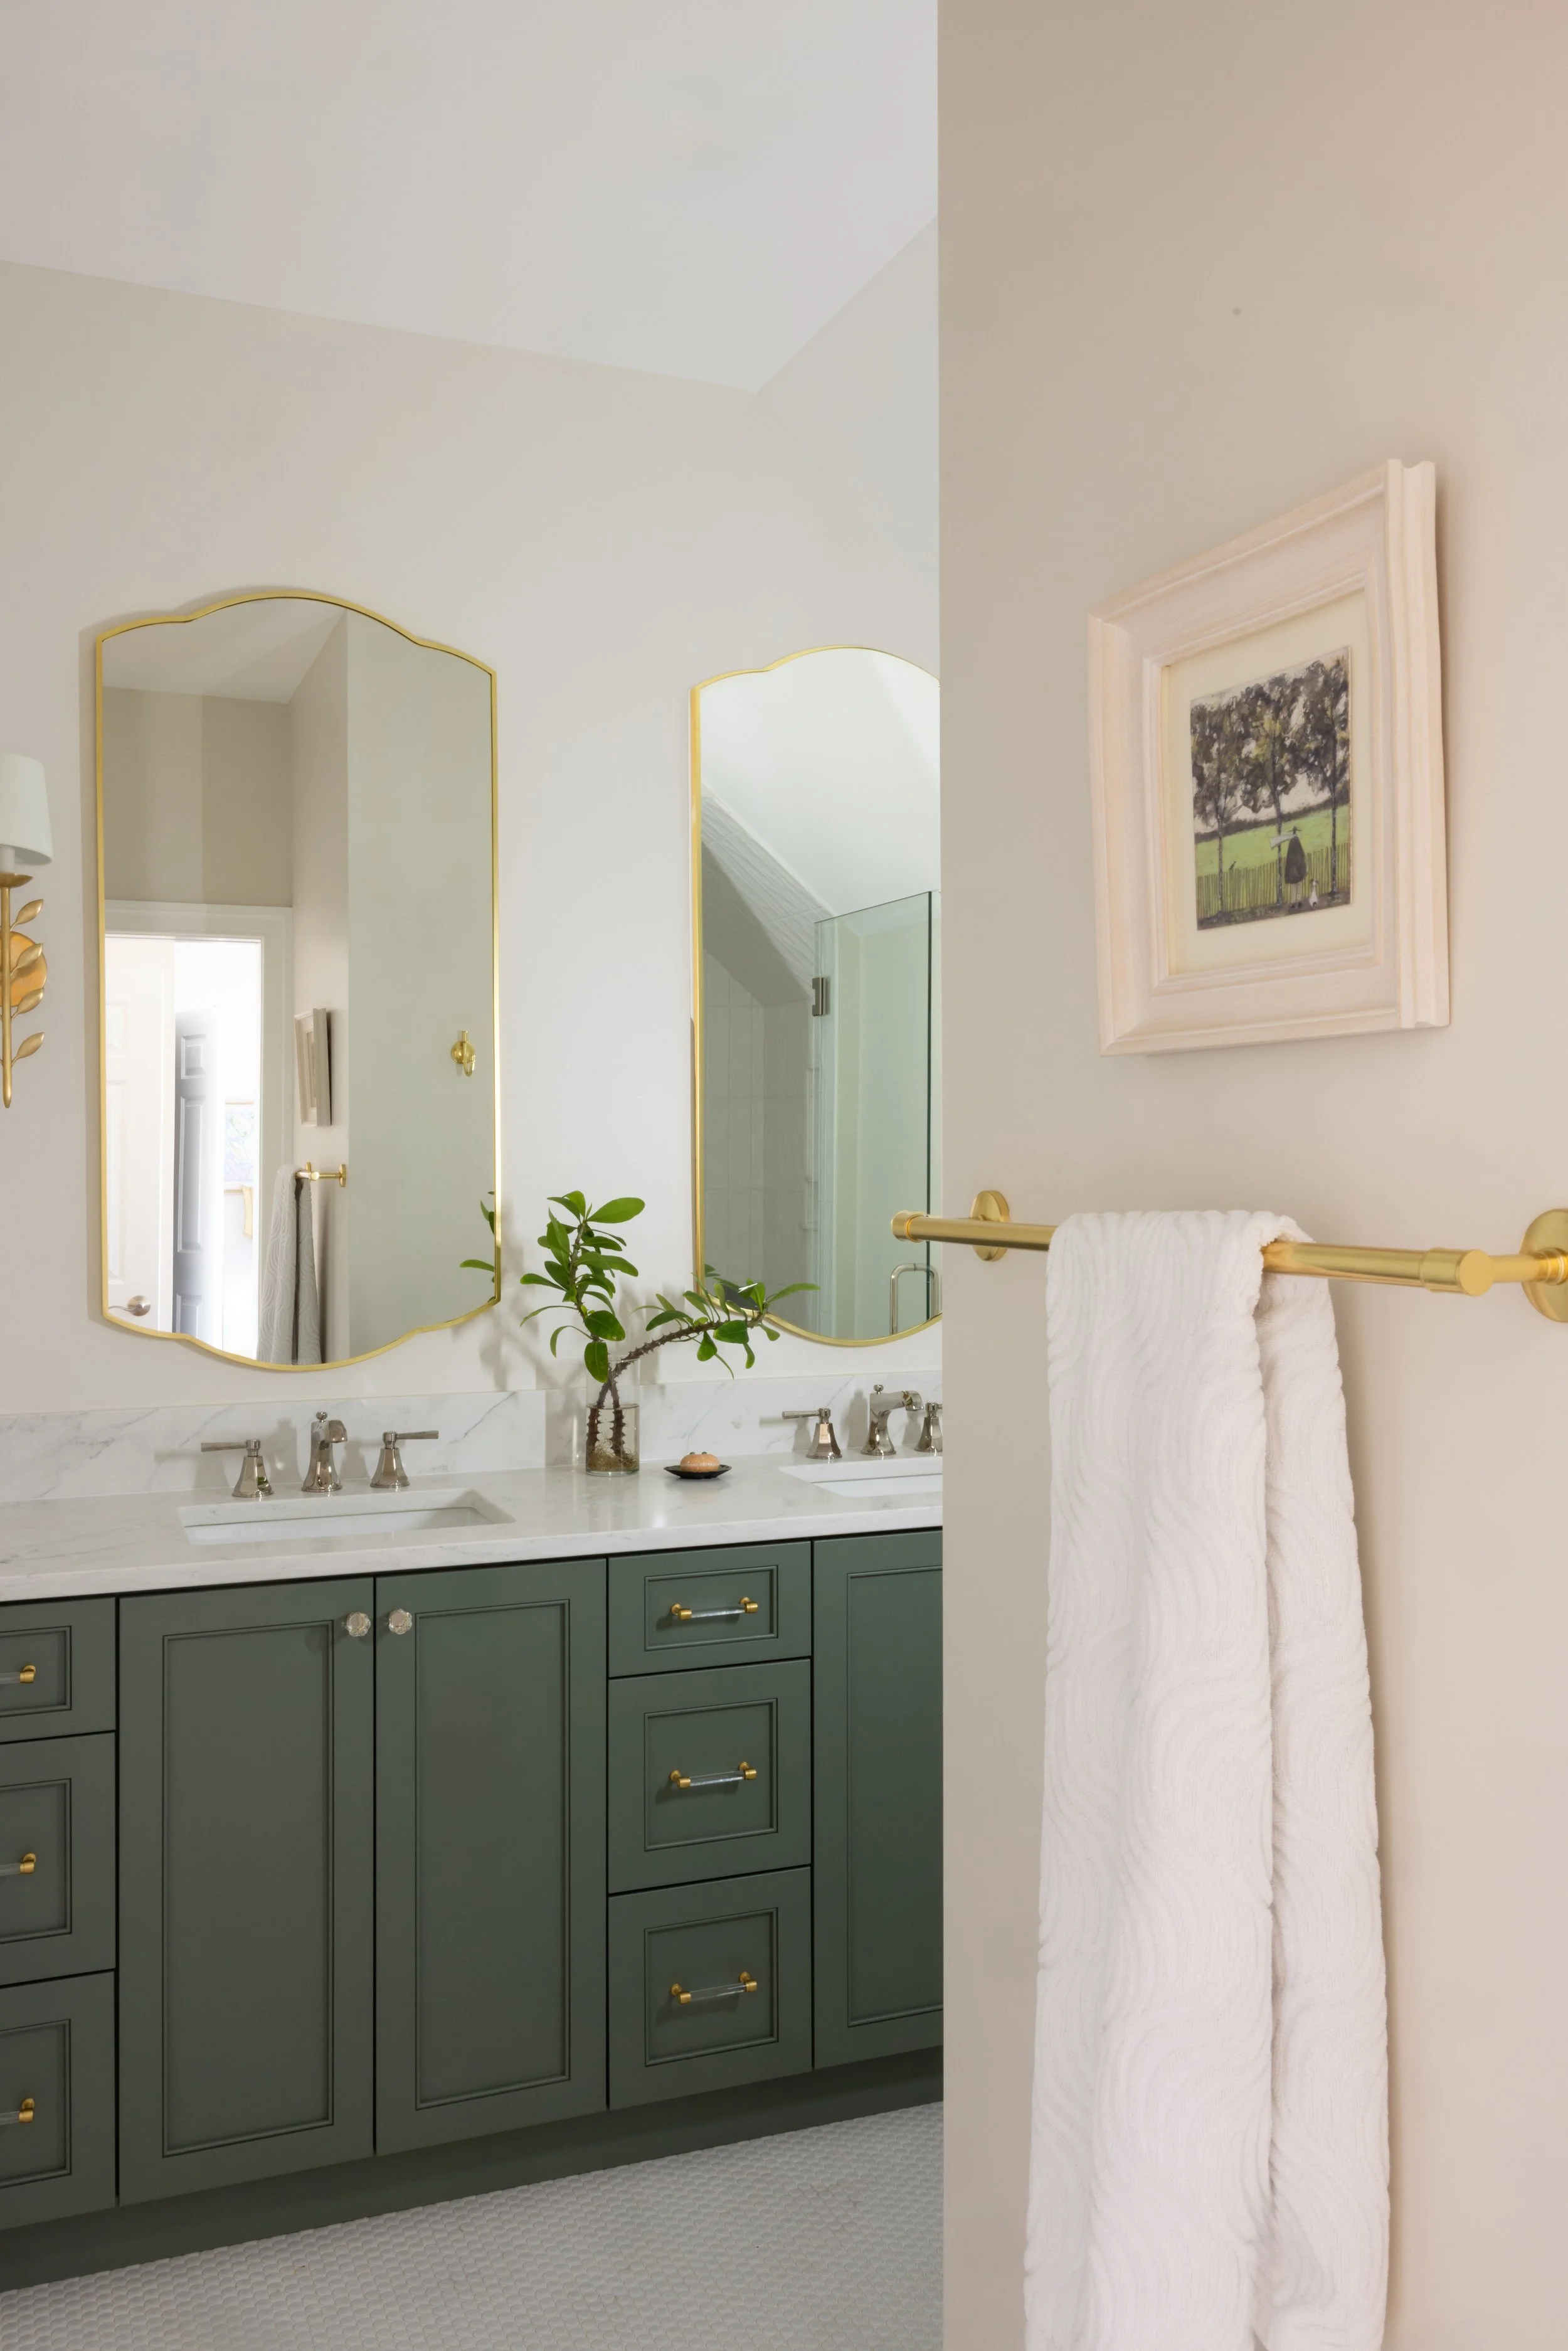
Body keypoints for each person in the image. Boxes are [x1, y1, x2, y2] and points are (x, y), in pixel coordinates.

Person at [1284, 824, 1307, 906]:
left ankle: (1295, 902)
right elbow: (1302, 856)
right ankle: (1298, 901)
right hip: (1297, 870)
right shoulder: (1297, 845)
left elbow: (1289, 861)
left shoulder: (1291, 847)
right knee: (1298, 886)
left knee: (1294, 887)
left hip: (1293, 872)